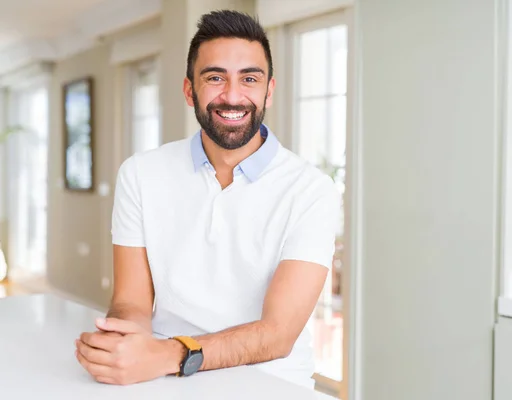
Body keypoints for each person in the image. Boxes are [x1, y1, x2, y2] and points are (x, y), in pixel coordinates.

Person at [74, 10, 341, 390]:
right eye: (215, 78)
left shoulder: (311, 190)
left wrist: (169, 354)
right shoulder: (140, 174)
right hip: (165, 379)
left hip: (271, 384)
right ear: (189, 91)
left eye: (249, 79)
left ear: (269, 90)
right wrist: (122, 342)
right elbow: (131, 302)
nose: (233, 96)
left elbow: (278, 333)